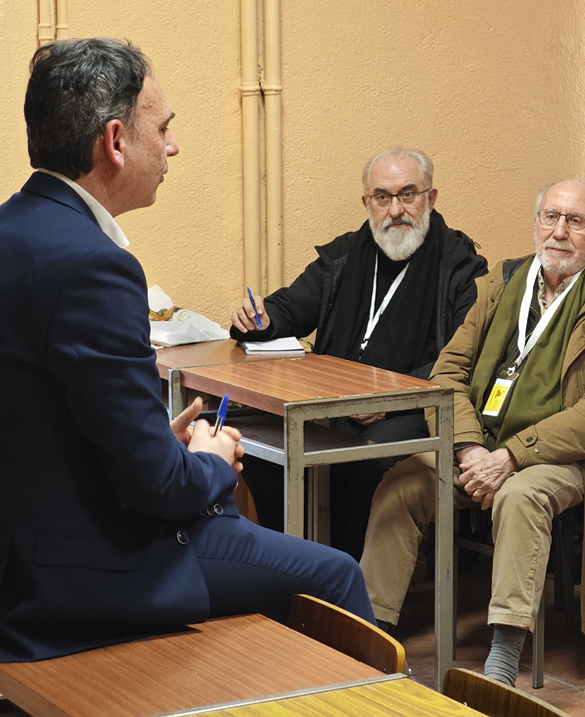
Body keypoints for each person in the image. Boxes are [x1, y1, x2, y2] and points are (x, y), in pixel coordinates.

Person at [0, 38, 373, 662]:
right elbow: (159, 488)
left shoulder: (14, 230)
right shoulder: (95, 267)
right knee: (336, 575)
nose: (172, 147)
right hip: (78, 571)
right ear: (115, 142)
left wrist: (155, 441)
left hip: (26, 544)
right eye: (163, 128)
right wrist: (210, 458)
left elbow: (46, 421)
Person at [360, 179, 585, 685]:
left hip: (579, 457)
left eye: (576, 221)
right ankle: (372, 630)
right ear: (536, 224)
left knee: (521, 495)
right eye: (551, 217)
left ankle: (504, 655)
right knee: (404, 482)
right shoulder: (503, 285)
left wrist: (511, 456)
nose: (559, 232)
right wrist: (467, 448)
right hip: (483, 445)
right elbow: (447, 373)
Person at [231, 147, 487, 555]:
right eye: (382, 197)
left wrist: (389, 401)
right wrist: (260, 319)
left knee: (366, 458)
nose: (395, 210)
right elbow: (291, 307)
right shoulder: (346, 255)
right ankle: (295, 558)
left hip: (412, 407)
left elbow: (461, 358)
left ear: (431, 198)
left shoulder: (459, 266)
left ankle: (345, 571)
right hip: (335, 400)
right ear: (367, 203)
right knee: (260, 445)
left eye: (408, 194)